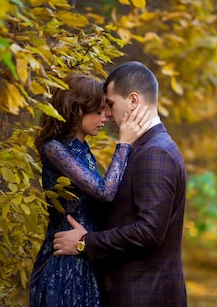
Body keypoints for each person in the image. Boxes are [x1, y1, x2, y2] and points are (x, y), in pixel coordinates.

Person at [53, 61, 188, 307]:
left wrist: (85, 242)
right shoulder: (144, 148)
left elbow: (148, 232)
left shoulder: (155, 153)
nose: (107, 115)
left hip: (145, 296)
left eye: (111, 105)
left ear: (134, 101)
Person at [29, 73, 150, 307]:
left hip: (85, 254)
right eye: (98, 110)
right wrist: (123, 143)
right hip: (66, 264)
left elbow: (105, 199)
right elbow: (105, 191)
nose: (105, 116)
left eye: (106, 109)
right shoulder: (55, 149)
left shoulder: (82, 148)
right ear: (76, 110)